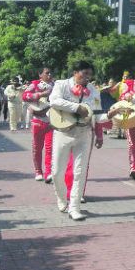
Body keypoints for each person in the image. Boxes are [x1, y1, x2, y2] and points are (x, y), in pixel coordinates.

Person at [49, 60, 113, 220]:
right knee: (57, 172)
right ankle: (61, 198)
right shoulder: (61, 85)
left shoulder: (94, 91)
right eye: (85, 74)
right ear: (75, 72)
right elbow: (54, 101)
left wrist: (110, 115)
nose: (87, 78)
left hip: (84, 134)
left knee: (79, 172)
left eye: (90, 75)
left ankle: (74, 207)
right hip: (63, 133)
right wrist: (77, 108)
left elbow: (97, 116)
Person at [23, 68, 54, 181]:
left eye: (51, 73)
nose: (50, 75)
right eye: (47, 73)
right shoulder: (34, 84)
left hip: (52, 121)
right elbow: (25, 96)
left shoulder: (56, 86)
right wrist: (40, 94)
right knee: (37, 147)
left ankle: (49, 172)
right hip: (38, 121)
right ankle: (38, 171)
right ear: (40, 74)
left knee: (50, 147)